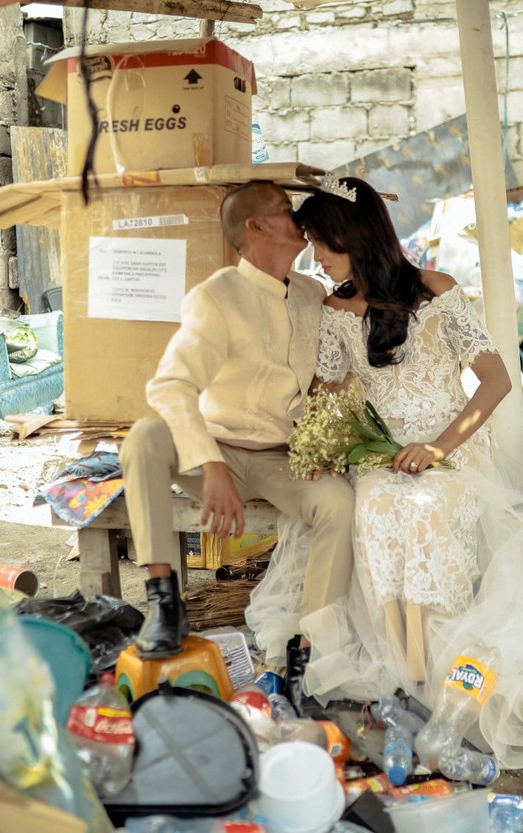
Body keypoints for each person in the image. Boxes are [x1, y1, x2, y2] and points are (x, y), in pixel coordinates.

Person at [248, 177, 523, 768]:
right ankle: (403, 673)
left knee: (423, 512)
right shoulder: (336, 309)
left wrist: (440, 447)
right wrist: (329, 441)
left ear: (356, 238)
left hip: (451, 449)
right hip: (382, 454)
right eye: (312, 243)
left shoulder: (436, 291)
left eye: (323, 243)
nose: (317, 257)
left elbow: (496, 380)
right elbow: (329, 389)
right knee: (376, 509)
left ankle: (427, 671)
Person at [120, 181, 356, 683]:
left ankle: (309, 650)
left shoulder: (313, 293)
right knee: (144, 437)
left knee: (338, 503)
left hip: (281, 457)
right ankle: (164, 602)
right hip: (215, 449)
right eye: (285, 208)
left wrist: (331, 439)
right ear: (256, 227)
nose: (298, 216)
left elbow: (328, 377)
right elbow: (171, 386)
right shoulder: (215, 296)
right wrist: (211, 466)